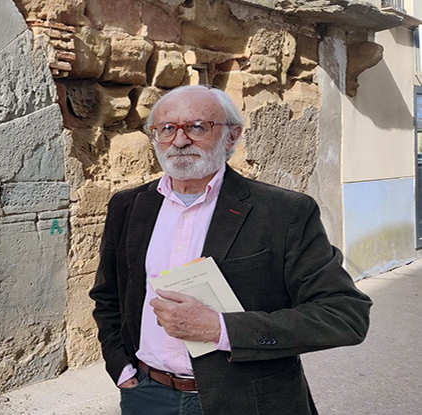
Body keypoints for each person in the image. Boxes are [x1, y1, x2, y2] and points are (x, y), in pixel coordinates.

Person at [89, 85, 372, 415]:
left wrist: (220, 329)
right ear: (155, 137)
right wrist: (121, 368)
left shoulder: (283, 212)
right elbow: (108, 296)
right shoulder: (128, 206)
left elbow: (344, 315)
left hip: (250, 400)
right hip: (148, 395)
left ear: (232, 137)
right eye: (167, 128)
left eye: (197, 127)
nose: (179, 141)